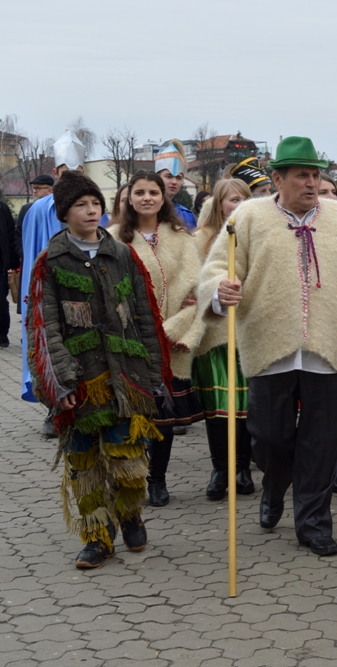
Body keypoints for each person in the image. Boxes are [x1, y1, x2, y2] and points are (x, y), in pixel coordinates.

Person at [200, 136, 337, 557]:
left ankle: (313, 523)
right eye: (301, 176)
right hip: (269, 347)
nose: (311, 183)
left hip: (327, 347)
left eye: (316, 175)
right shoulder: (249, 217)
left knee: (321, 442)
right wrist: (220, 289)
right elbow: (217, 267)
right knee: (269, 439)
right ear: (277, 178)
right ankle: (274, 488)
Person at [27, 171, 169, 569]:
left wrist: (152, 372)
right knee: (84, 462)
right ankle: (97, 537)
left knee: (126, 456)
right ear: (63, 213)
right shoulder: (49, 262)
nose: (91, 211)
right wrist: (60, 384)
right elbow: (44, 327)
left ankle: (130, 514)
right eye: (80, 205)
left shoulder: (122, 254)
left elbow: (145, 314)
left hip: (125, 374)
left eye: (95, 204)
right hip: (80, 380)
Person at [109, 172, 205, 507]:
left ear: (163, 198)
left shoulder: (180, 236)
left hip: (172, 339)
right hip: (131, 338)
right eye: (140, 192)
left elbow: (194, 288)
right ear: (129, 198)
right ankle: (132, 475)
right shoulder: (114, 239)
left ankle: (158, 479)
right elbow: (110, 292)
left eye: (153, 192)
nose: (147, 198)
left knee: (163, 417)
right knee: (135, 414)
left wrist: (175, 329)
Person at [192, 178, 255, 500]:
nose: (239, 205)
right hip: (215, 336)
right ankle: (221, 468)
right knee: (218, 407)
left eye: (245, 198)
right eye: (233, 200)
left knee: (244, 406)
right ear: (219, 205)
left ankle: (243, 467)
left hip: (248, 334)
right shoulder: (200, 239)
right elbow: (193, 284)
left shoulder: (257, 236)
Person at [21, 130, 85, 409]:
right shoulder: (39, 210)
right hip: (50, 288)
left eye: (78, 171)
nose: (71, 176)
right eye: (65, 171)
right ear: (56, 172)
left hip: (83, 289)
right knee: (50, 342)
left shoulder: (93, 206)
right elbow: (32, 252)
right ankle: (51, 402)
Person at [154, 140, 198, 231]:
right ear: (158, 177)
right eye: (169, 176)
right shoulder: (147, 211)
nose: (174, 182)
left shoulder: (187, 216)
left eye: (178, 178)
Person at [1, 198, 19, 347]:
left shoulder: (2, 208)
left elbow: (10, 234)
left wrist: (12, 262)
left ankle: (2, 334)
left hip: (1, 265)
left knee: (0, 300)